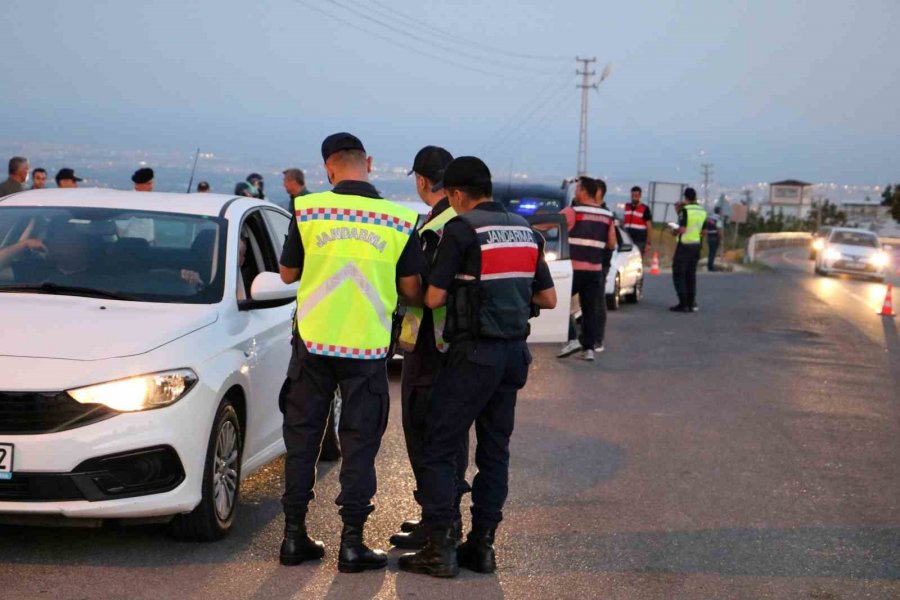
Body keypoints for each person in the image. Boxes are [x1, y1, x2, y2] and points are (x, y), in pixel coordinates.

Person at [398, 156, 557, 578]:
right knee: (494, 451)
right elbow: (548, 298)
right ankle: (482, 546)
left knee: (439, 446)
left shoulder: (462, 229)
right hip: (513, 356)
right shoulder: (525, 231)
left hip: (472, 356)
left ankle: (440, 548)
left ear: (455, 194)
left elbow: (433, 298)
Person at [278, 132, 424, 573]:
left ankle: (293, 537)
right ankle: (352, 544)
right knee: (359, 444)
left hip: (313, 343)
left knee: (302, 440)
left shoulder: (308, 210)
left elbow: (287, 274)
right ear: (369, 163)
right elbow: (411, 289)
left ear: (328, 168)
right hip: (366, 348)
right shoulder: (399, 219)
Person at [391, 145, 470, 551]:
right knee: (452, 433)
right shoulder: (467, 220)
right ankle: (444, 516)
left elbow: (420, 291)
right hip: (460, 346)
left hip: (429, 346)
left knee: (424, 432)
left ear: (421, 181)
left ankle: (439, 522)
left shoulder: (433, 228)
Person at [555, 176, 616, 361]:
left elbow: (552, 223)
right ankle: (588, 349)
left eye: (577, 189)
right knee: (589, 310)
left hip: (573, 270)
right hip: (594, 271)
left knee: (559, 302)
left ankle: (572, 338)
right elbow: (612, 243)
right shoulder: (607, 215)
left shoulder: (574, 211)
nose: (575, 192)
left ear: (583, 191)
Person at [670, 187, 707, 312]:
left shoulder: (685, 210)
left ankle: (683, 303)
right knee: (691, 275)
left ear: (685, 198)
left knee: (678, 273)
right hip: (696, 246)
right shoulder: (702, 211)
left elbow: (683, 229)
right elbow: (704, 231)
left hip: (684, 245)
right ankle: (691, 303)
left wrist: (674, 230)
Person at [594, 178, 616, 354]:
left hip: (599, 264)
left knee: (597, 301)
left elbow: (611, 243)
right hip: (582, 263)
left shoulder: (606, 214)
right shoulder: (583, 208)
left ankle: (597, 339)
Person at [623, 185, 653, 256]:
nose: (634, 198)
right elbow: (624, 222)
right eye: (632, 196)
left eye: (636, 196)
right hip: (627, 240)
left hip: (639, 241)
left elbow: (649, 227)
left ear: (640, 196)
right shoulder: (627, 207)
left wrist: (648, 243)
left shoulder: (644, 209)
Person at [705, 206, 724, 271]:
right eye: (721, 211)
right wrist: (720, 239)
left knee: (710, 252)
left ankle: (709, 266)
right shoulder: (718, 218)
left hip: (709, 236)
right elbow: (719, 229)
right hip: (715, 237)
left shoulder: (709, 218)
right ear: (719, 211)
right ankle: (711, 267)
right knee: (713, 253)